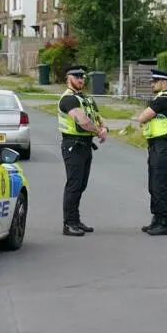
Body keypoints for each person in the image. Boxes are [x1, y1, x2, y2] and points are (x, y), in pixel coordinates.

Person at [57, 65, 108, 237]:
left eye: (82, 77)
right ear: (68, 77)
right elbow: (83, 121)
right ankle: (69, 223)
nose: (81, 80)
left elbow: (97, 116)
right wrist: (98, 131)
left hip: (85, 145)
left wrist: (104, 126)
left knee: (81, 184)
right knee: (74, 184)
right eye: (77, 76)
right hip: (73, 145)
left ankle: (76, 220)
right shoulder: (69, 99)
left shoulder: (85, 98)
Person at [134, 69, 167, 236]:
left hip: (163, 145)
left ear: (164, 83)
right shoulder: (159, 99)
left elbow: (142, 117)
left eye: (155, 81)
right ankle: (156, 218)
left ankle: (164, 221)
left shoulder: (165, 99)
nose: (152, 84)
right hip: (155, 145)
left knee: (159, 184)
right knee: (153, 184)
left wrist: (144, 115)